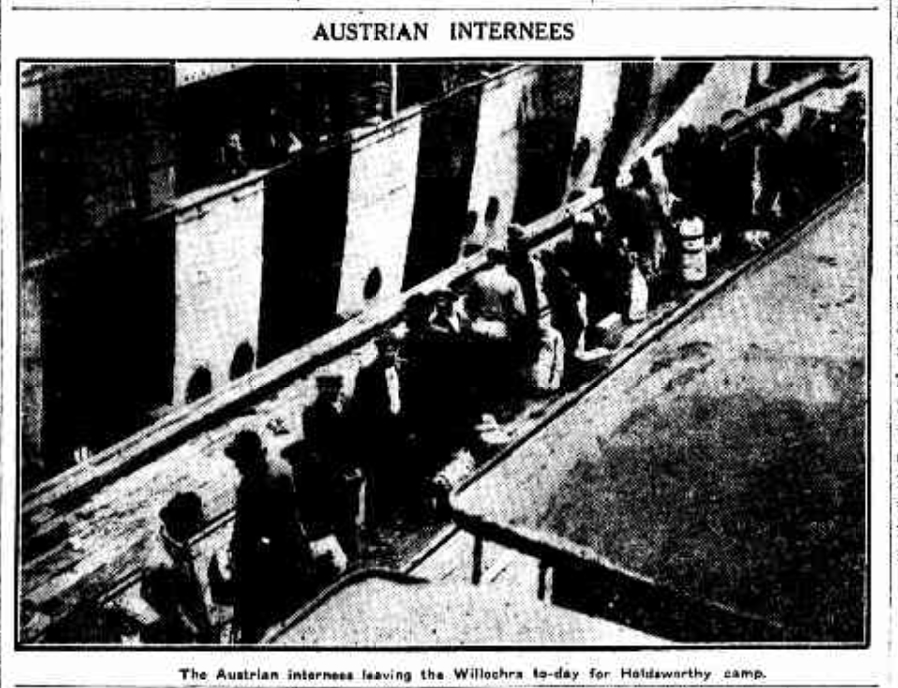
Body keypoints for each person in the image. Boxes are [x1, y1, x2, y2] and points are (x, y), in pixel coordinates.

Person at [225, 430, 313, 643]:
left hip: (281, 554)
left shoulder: (261, 483)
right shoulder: (273, 471)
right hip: (285, 545)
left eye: (241, 460)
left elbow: (267, 527)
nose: (237, 466)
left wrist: (245, 551)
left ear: (255, 457)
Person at [303, 375, 365, 560]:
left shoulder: (347, 403)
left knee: (355, 509)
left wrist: (358, 466)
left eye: (335, 387)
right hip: (333, 475)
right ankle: (351, 553)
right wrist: (337, 473)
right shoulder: (312, 413)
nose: (332, 391)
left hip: (353, 467)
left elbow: (357, 435)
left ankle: (357, 547)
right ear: (320, 389)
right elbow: (316, 450)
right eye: (327, 387)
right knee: (341, 515)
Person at [140, 491, 214, 644]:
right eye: (194, 522)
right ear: (181, 524)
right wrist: (198, 632)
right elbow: (172, 612)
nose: (198, 526)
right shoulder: (159, 562)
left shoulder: (179, 542)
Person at [351, 333, 407, 526]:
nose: (391, 354)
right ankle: (377, 523)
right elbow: (360, 410)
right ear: (380, 351)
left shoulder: (398, 371)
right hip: (378, 437)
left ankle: (396, 515)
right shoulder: (367, 375)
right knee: (378, 482)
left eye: (394, 350)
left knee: (397, 474)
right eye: (387, 351)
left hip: (398, 432)